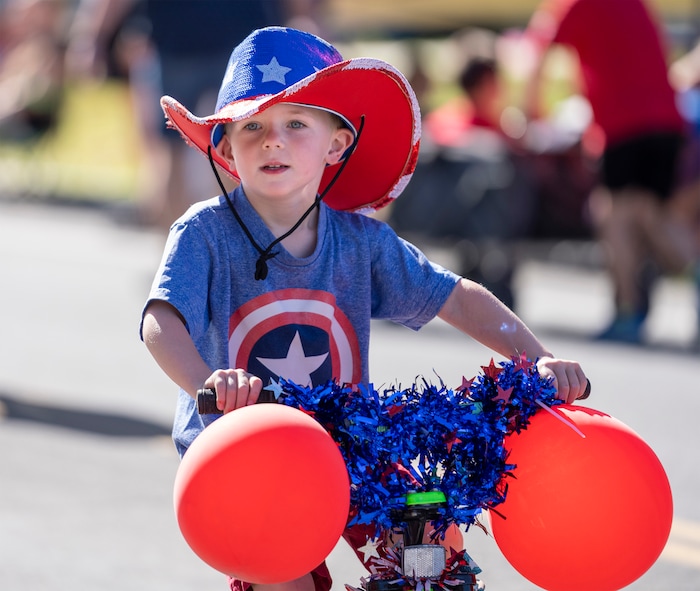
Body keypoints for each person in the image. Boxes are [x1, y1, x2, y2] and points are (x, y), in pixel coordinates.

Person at [140, 27, 590, 591]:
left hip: (348, 443)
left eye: (295, 124)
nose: (271, 141)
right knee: (286, 578)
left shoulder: (361, 243)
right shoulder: (203, 233)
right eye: (251, 126)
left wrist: (540, 360)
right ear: (225, 148)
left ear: (336, 144)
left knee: (426, 545)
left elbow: (457, 296)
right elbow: (162, 322)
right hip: (247, 452)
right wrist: (210, 380)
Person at [523, 0, 697, 344]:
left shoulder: (574, 5)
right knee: (652, 213)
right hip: (667, 122)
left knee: (613, 215)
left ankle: (628, 311)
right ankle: (678, 277)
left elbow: (537, 58)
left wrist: (530, 118)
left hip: (624, 125)